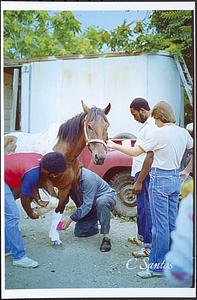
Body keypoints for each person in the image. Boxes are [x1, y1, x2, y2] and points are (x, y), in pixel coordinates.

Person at [107, 101, 193, 278]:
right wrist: (187, 170)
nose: (155, 122)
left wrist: (113, 145)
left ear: (160, 116)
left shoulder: (158, 134)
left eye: (155, 119)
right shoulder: (183, 133)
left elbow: (135, 152)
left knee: (159, 225)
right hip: (175, 178)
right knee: (171, 223)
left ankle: (157, 267)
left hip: (159, 179)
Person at [4, 151, 67, 268]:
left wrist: (38, 200)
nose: (53, 177)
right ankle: (19, 257)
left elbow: (33, 183)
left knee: (7, 215)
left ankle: (6, 248)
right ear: (49, 172)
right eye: (54, 175)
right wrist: (31, 213)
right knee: (12, 216)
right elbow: (24, 196)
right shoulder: (33, 172)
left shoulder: (40, 160)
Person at [56, 166, 117, 252]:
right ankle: (96, 220)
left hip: (105, 197)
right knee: (80, 232)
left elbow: (87, 205)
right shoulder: (69, 179)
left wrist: (71, 218)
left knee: (101, 202)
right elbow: (65, 200)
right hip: (90, 205)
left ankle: (106, 237)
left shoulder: (88, 178)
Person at [128, 98, 155, 258]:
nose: (134, 118)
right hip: (140, 174)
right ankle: (143, 238)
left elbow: (149, 157)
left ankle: (149, 246)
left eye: (134, 114)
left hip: (144, 175)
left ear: (142, 110)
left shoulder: (151, 127)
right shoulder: (147, 126)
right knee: (141, 208)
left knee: (147, 209)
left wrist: (139, 180)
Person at [164, 177, 194, 287]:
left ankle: (156, 265)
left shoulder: (191, 199)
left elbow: (179, 272)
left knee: (161, 224)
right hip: (174, 176)